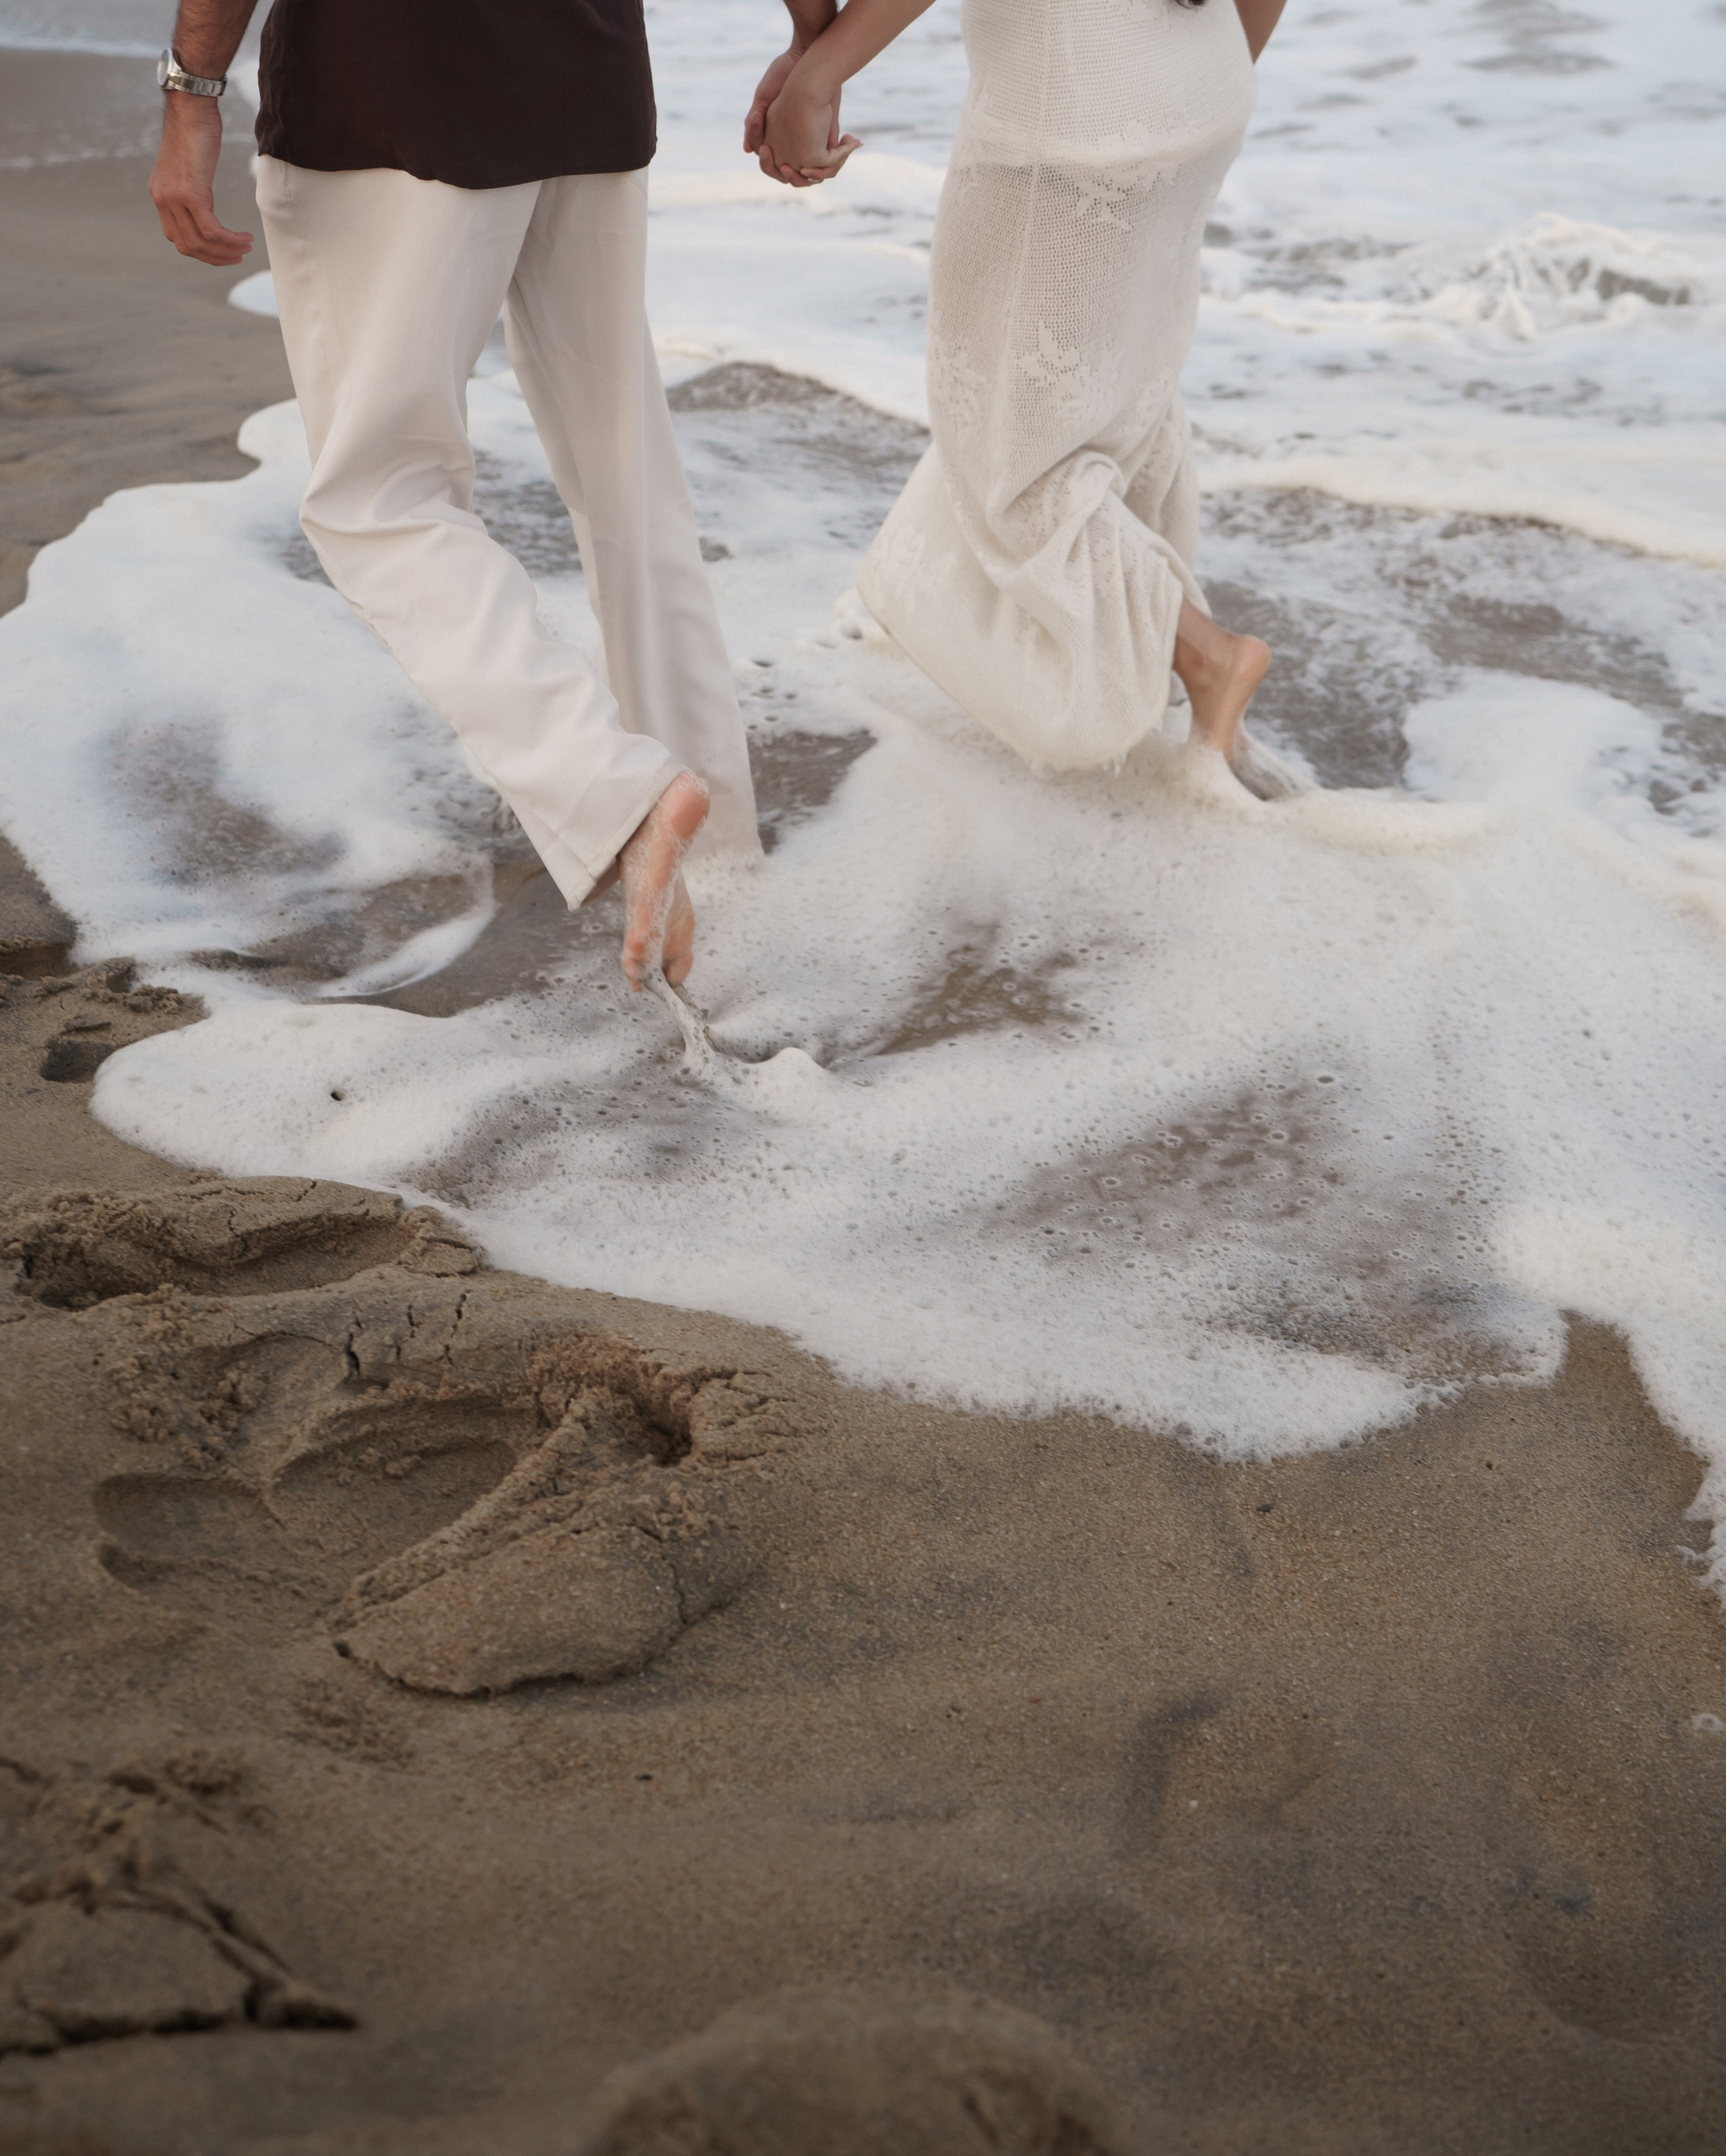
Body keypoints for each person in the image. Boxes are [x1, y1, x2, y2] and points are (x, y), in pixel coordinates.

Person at [150, 0, 762, 993]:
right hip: (589, 74)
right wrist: (814, 44)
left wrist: (191, 91)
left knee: (378, 501)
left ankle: (619, 796)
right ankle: (728, 877)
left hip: (394, 87)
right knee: (628, 481)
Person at [746, 0, 1292, 790]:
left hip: (1069, 112)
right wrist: (1192, 85)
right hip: (1202, 87)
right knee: (1114, 401)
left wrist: (816, 67)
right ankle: (1159, 692)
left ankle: (1207, 661)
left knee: (1007, 447)